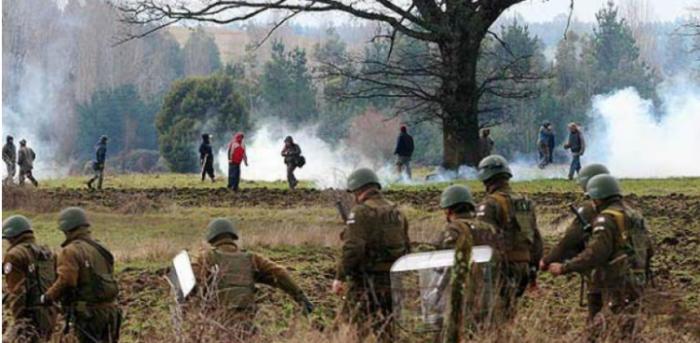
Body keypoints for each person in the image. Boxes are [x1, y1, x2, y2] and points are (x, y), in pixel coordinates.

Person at [548, 175, 653, 339]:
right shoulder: (635, 216)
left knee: (610, 332)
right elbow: (649, 249)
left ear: (598, 198)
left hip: (616, 283)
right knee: (629, 331)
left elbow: (595, 254)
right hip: (637, 279)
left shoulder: (607, 219)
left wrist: (564, 267)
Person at [191, 218, 314, 339]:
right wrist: (300, 297)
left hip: (217, 322)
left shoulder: (205, 258)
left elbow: (192, 282)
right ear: (233, 236)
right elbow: (279, 273)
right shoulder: (251, 258)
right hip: (245, 321)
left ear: (211, 238)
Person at [331, 168, 411, 341]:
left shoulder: (361, 212)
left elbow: (353, 248)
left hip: (365, 283)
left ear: (358, 190)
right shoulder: (397, 211)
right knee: (387, 332)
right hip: (392, 282)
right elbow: (407, 247)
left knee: (349, 328)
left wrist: (340, 277)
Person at [540, 163, 610, 322]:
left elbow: (569, 241)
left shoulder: (589, 209)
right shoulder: (624, 210)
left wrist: (547, 261)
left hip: (602, 274)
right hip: (631, 274)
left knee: (596, 322)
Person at [42, 207, 122, 343]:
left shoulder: (70, 251)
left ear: (67, 229)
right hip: (112, 311)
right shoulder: (101, 248)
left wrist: (48, 297)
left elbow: (66, 281)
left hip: (89, 315)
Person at [475, 155, 543, 314]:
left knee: (493, 314)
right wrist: (533, 272)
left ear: (486, 179)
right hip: (524, 268)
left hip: (502, 268)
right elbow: (536, 239)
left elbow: (482, 241)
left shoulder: (490, 204)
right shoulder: (525, 202)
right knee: (509, 310)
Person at [436, 185, 502, 342]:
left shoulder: (453, 230)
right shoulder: (489, 229)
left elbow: (442, 268)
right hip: (490, 294)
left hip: (463, 297)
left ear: (449, 210)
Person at [2, 215, 58, 343]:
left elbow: (17, 292)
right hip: (49, 315)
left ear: (12, 236)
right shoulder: (47, 254)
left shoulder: (15, 254)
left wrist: (18, 322)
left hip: (29, 319)